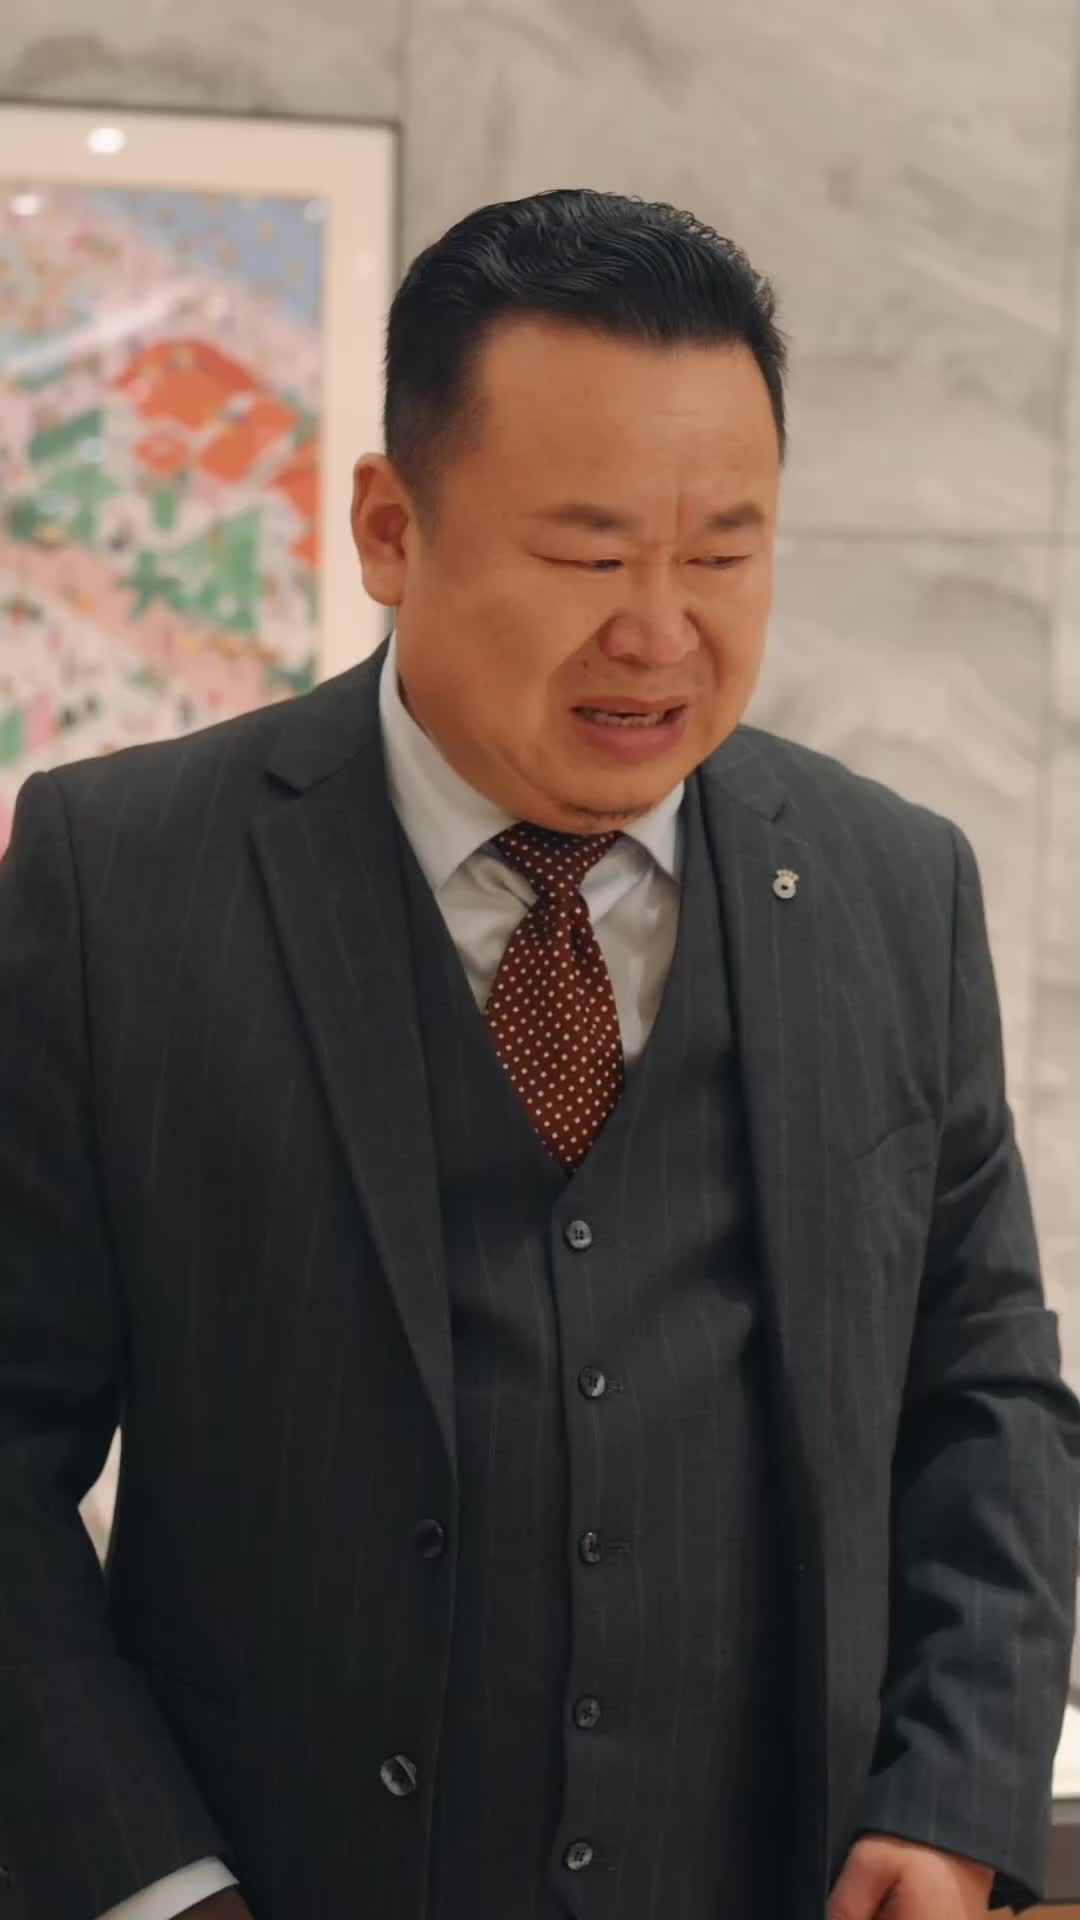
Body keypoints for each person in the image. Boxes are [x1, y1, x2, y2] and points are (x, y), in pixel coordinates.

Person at [0, 188, 1077, 1920]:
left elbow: (987, 1395)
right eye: (587, 556)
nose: (660, 632)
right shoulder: (119, 878)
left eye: (722, 554)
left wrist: (951, 1795)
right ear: (389, 526)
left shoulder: (895, 887)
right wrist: (150, 1881)